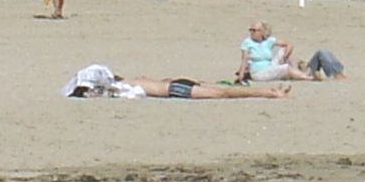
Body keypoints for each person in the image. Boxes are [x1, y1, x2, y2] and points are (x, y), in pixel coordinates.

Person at [65, 65, 290, 100]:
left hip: (173, 88)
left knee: (222, 93)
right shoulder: (133, 80)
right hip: (173, 82)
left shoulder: (124, 85)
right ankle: (268, 90)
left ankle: (267, 92)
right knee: (222, 89)